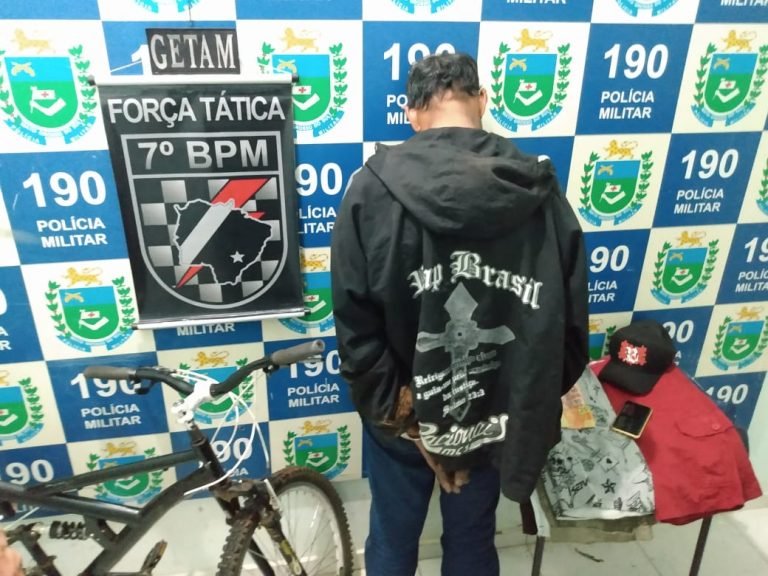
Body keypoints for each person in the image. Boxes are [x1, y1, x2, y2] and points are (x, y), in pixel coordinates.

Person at [331, 53, 588, 576]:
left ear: (411, 112)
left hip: (403, 413)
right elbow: (568, 328)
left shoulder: (369, 190)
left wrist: (414, 423)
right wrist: (508, 411)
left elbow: (355, 327)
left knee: (393, 538)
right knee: (473, 538)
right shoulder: (537, 190)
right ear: (483, 101)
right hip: (497, 417)